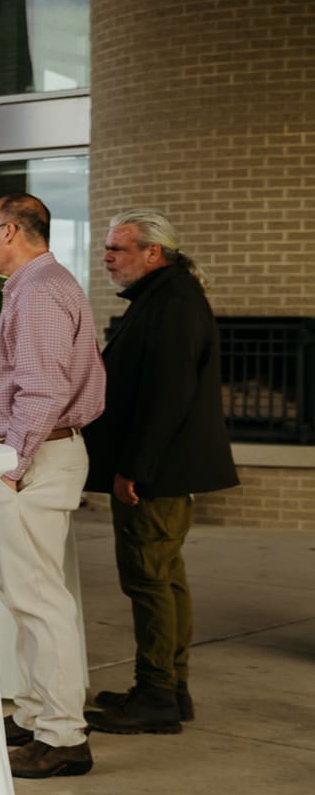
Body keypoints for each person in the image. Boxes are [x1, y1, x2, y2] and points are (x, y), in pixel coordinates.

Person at [0, 192, 107, 779]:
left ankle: (64, 735)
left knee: (39, 600)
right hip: (38, 457)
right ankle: (36, 713)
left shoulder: (41, 290)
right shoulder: (35, 286)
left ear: (13, 231)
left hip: (35, 461)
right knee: (27, 596)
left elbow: (43, 392)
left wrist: (12, 465)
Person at [84, 209, 237, 735]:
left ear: (154, 252)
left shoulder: (171, 302)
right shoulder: (166, 297)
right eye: (107, 247)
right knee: (164, 579)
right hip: (162, 467)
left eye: (118, 248)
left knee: (149, 579)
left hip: (157, 471)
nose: (107, 257)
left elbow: (167, 396)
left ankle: (156, 695)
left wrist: (134, 469)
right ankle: (170, 687)